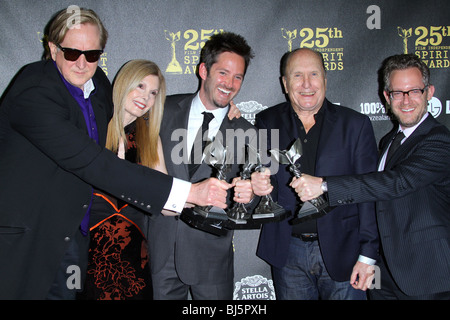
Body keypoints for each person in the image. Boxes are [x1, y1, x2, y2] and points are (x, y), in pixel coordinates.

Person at [0, 8, 229, 300]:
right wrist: (189, 193)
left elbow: (141, 108)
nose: (82, 63)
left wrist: (220, 109)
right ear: (52, 49)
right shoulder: (35, 92)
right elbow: (91, 162)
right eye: (71, 53)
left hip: (73, 242)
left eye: (92, 54)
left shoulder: (98, 87)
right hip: (30, 241)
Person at [292, 53, 450, 300]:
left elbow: (398, 182)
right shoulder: (389, 141)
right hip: (384, 274)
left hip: (425, 274)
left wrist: (324, 185)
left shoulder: (440, 140)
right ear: (387, 97)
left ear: (429, 92)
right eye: (397, 92)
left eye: (414, 91)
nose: (406, 100)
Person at [253, 48, 379, 300]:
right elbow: (263, 177)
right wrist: (258, 184)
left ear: (325, 79)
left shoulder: (355, 124)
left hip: (345, 252)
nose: (307, 84)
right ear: (285, 83)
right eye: (297, 76)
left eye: (314, 74)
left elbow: (369, 191)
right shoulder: (267, 121)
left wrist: (367, 254)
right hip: (287, 251)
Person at [147, 32, 258, 300]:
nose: (229, 84)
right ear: (203, 70)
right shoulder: (162, 109)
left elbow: (257, 194)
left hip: (212, 260)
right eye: (223, 73)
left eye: (238, 77)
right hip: (161, 253)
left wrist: (251, 195)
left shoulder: (244, 130)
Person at [78, 59, 167, 300]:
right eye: (139, 86)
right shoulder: (90, 126)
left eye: (153, 93)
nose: (145, 97)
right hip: (85, 251)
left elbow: (166, 199)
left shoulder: (149, 138)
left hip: (132, 255)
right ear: (123, 83)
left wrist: (201, 195)